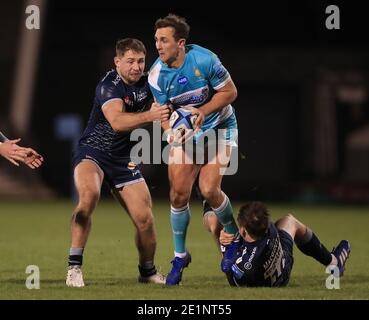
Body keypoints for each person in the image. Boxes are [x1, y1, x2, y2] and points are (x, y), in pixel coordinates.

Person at [65, 38, 171, 287]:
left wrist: (175, 128)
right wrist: (151, 115)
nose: (136, 67)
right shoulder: (108, 86)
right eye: (130, 61)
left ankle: (147, 272)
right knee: (88, 198)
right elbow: (117, 122)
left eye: (141, 61)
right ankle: (74, 267)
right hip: (93, 152)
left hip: (123, 160)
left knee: (145, 220)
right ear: (117, 62)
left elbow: (166, 106)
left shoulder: (150, 82)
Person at [148, 14, 240, 285]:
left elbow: (230, 92)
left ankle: (232, 236)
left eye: (164, 40)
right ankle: (180, 255)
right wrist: (169, 132)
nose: (158, 45)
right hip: (188, 135)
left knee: (209, 189)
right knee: (177, 194)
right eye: (156, 40)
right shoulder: (156, 75)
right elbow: (164, 113)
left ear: (181, 43)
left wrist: (201, 111)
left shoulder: (204, 59)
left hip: (220, 127)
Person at [219, 201, 351, 287]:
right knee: (289, 221)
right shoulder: (268, 228)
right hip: (282, 262)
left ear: (242, 230)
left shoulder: (245, 265)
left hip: (273, 280)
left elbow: (233, 280)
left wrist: (225, 245)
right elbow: (252, 236)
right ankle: (333, 262)